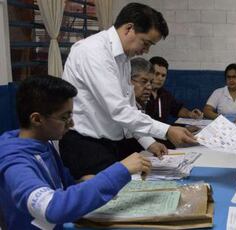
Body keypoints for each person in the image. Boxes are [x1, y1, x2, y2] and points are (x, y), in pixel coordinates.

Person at [59, 3, 197, 180]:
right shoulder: (93, 52)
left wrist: (149, 142)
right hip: (85, 144)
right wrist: (167, 130)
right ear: (129, 29)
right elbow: (119, 111)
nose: (146, 50)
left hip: (108, 143)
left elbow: (130, 108)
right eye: (146, 43)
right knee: (111, 199)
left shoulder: (123, 58)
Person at [0, 75, 152, 230]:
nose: (71, 124)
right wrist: (121, 170)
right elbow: (52, 207)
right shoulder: (16, 164)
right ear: (37, 119)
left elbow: (64, 187)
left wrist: (86, 182)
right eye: (64, 117)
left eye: (71, 115)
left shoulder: (43, 144)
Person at [146, 56, 204, 123]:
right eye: (157, 74)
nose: (160, 78)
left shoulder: (165, 95)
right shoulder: (142, 94)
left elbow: (177, 109)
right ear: (148, 73)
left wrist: (190, 114)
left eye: (163, 75)